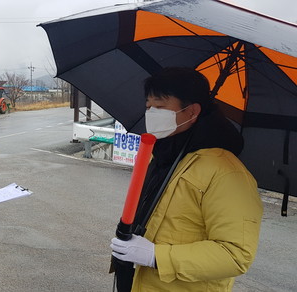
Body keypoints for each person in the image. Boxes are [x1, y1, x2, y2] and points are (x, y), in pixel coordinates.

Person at [110, 67, 263, 291]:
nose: (151, 114)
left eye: (160, 107)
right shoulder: (165, 155)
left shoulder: (227, 172)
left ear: (192, 112)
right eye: (148, 107)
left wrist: (156, 256)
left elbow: (235, 254)